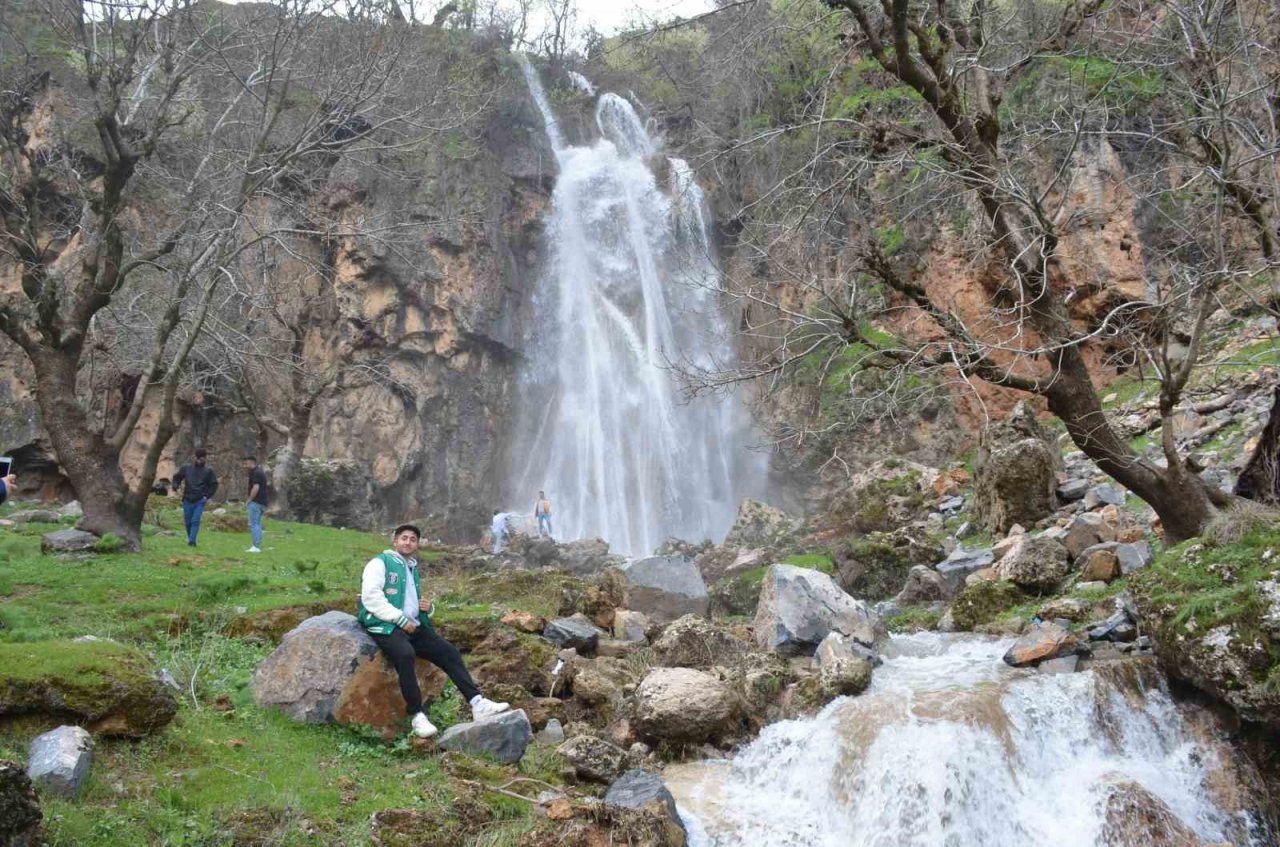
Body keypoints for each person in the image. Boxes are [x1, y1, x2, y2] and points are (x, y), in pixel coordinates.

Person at [358, 524, 509, 738]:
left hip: (411, 624)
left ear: (417, 545)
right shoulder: (380, 563)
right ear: (395, 541)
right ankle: (417, 715)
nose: (408, 542)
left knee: (449, 652)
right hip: (384, 624)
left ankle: (478, 704)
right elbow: (371, 597)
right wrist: (400, 619)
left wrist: (428, 608)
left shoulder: (411, 567)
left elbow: (409, 601)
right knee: (405, 654)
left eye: (412, 539)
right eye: (404, 538)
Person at [172, 448, 218, 547]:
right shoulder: (186, 468)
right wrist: (175, 487)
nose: (200, 461)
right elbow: (177, 478)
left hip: (200, 499)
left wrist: (207, 496)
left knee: (195, 520)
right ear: (195, 458)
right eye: (198, 459)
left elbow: (214, 485)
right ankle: (190, 538)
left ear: (205, 458)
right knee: (188, 521)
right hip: (187, 498)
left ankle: (192, 541)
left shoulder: (209, 471)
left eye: (202, 459)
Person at [243, 456, 269, 553]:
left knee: (254, 524)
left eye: (246, 463)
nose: (245, 466)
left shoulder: (256, 473)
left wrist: (249, 499)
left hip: (256, 502)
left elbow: (256, 487)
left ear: (251, 462)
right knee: (258, 523)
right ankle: (257, 545)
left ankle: (255, 546)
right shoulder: (259, 471)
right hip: (262, 502)